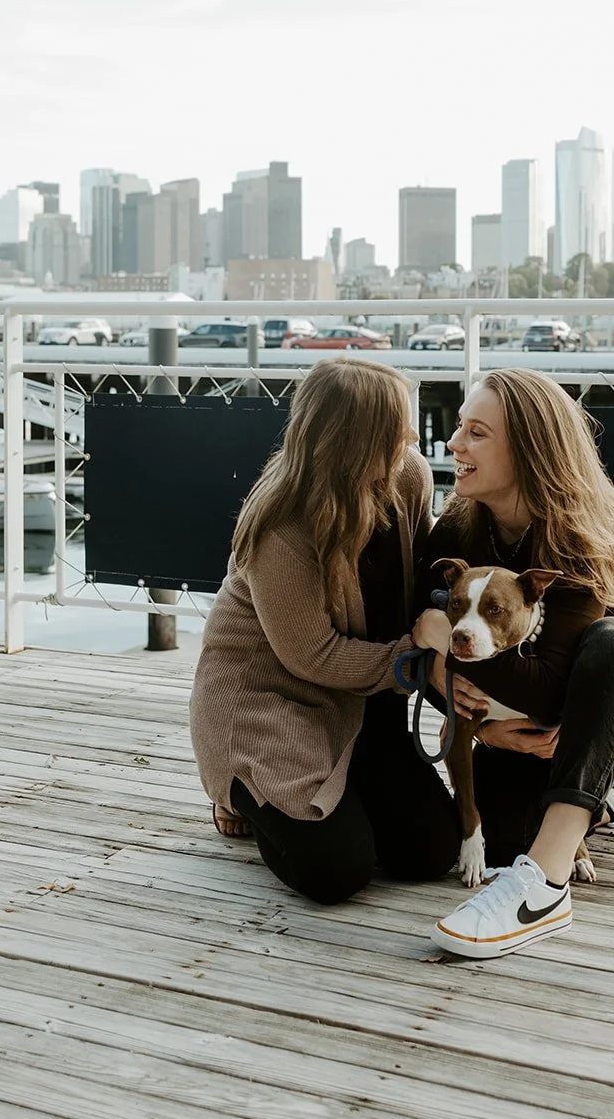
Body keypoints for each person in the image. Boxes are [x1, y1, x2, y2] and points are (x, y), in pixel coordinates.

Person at [418, 368, 614, 958]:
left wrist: (442, 644)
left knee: (611, 639)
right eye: (458, 429)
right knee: (497, 832)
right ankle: (609, 793)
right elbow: (439, 662)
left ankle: (543, 890)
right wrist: (444, 680)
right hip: (539, 728)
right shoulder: (458, 528)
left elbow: (552, 692)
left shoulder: (582, 537)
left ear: (525, 451)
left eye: (476, 433)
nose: (454, 446)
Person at [189, 355, 458, 905]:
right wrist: (417, 656)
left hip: (363, 702)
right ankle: (241, 791)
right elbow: (313, 654)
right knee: (335, 871)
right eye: (397, 425)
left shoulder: (406, 474)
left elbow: (431, 559)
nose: (412, 433)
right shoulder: (283, 525)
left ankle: (341, 788)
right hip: (271, 703)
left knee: (430, 852)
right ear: (355, 439)